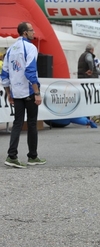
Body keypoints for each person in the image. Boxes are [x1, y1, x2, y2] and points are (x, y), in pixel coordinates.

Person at [1, 22, 46, 168]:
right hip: (29, 91)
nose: (34, 32)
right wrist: (37, 93)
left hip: (16, 92)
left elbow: (4, 74)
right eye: (32, 30)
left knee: (17, 123)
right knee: (32, 123)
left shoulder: (10, 50)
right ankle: (33, 156)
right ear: (25, 33)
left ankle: (11, 156)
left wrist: (9, 93)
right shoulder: (30, 47)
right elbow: (30, 71)